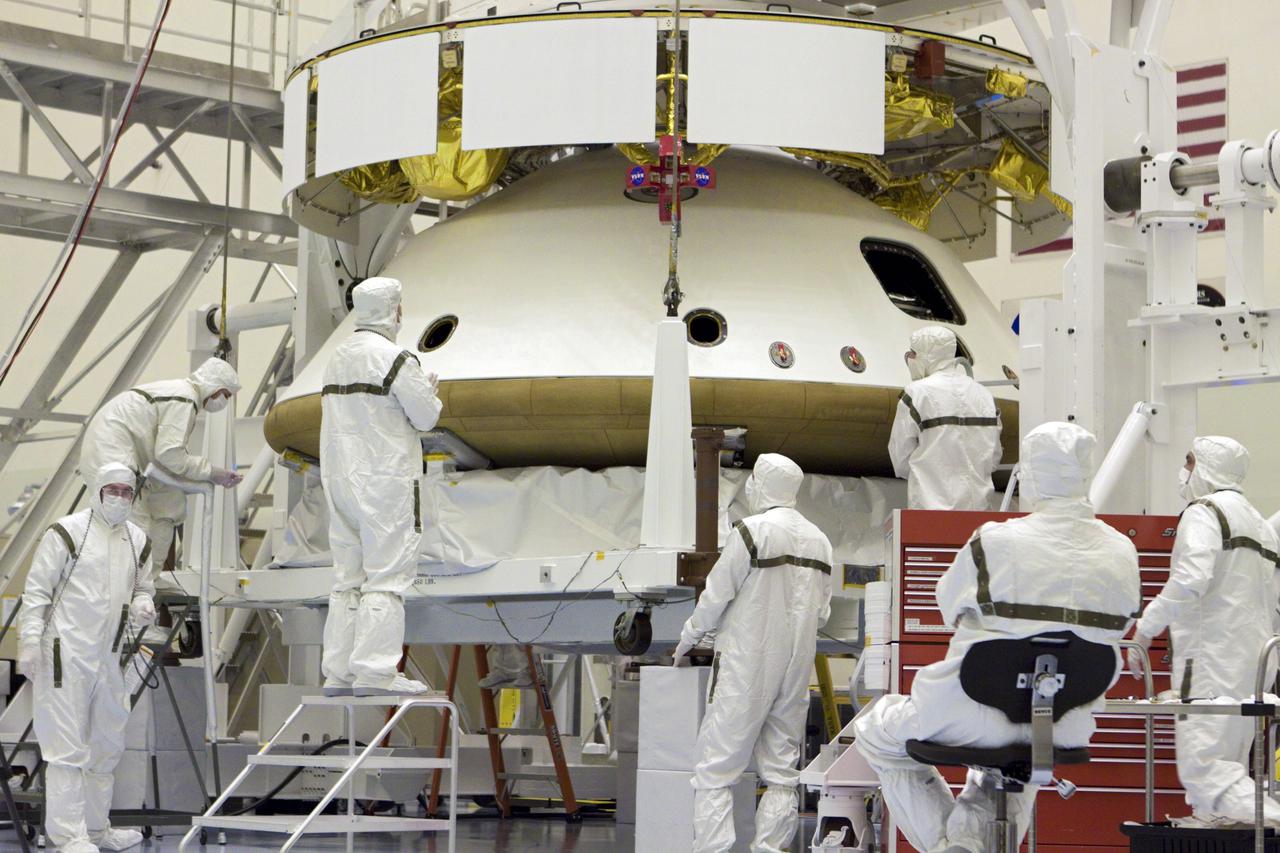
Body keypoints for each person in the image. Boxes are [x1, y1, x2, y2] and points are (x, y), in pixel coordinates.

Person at [854, 422, 1140, 853]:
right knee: (1012, 766)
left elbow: (947, 605)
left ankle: (956, 849)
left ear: (1033, 473)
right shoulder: (1124, 550)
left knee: (876, 730)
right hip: (1064, 721)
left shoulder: (994, 540)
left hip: (969, 707)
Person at [674, 453, 834, 853]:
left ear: (761, 485)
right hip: (795, 670)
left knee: (715, 769)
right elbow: (824, 611)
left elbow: (715, 596)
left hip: (745, 666)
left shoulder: (750, 531)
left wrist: (687, 638)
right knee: (782, 773)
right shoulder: (821, 541)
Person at [1129, 436, 1280, 827]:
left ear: (1208, 466)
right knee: (1226, 767)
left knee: (1205, 770)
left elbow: (1190, 579)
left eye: (1190, 461)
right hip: (1254, 663)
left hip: (1212, 661)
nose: (1185, 471)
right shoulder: (1259, 523)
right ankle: (1212, 823)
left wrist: (1145, 630)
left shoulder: (1205, 511)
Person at [18, 462, 156, 853]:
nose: (119, 498)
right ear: (96, 490)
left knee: (107, 745)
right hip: (64, 654)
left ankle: (96, 830)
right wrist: (29, 642)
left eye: (126, 492)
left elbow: (143, 586)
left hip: (110, 656)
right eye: (112, 490)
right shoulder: (66, 533)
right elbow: (38, 592)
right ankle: (68, 837)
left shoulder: (137, 539)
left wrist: (144, 605)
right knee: (66, 749)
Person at [320, 277, 442, 697]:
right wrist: (430, 391)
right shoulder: (395, 359)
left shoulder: (337, 359)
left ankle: (339, 672)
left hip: (340, 481)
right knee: (387, 576)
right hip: (384, 483)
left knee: (347, 578)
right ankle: (375, 671)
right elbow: (426, 417)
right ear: (392, 309)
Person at [80, 357, 243, 579]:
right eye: (226, 394)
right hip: (111, 447)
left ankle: (147, 580)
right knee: (136, 529)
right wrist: (213, 473)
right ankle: (130, 588)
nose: (224, 401)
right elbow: (170, 454)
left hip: (128, 449)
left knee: (169, 501)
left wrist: (200, 479)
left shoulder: (180, 394)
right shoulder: (185, 398)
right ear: (215, 388)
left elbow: (165, 458)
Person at [888, 326, 1002, 510]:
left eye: (913, 353)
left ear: (927, 355)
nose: (911, 359)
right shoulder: (985, 396)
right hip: (979, 511)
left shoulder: (916, 393)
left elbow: (901, 459)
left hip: (929, 511)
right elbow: (994, 457)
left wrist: (928, 475)